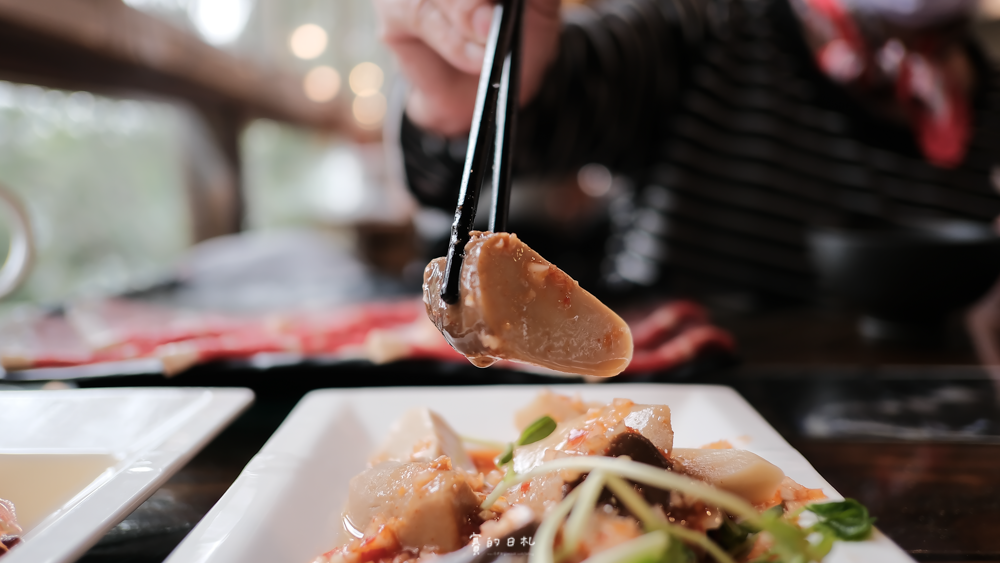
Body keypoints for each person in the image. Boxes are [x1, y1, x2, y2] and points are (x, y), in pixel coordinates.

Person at [374, 0, 1000, 354]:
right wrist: (455, 106)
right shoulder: (709, 28)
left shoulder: (989, 95)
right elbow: (518, 130)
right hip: (666, 410)